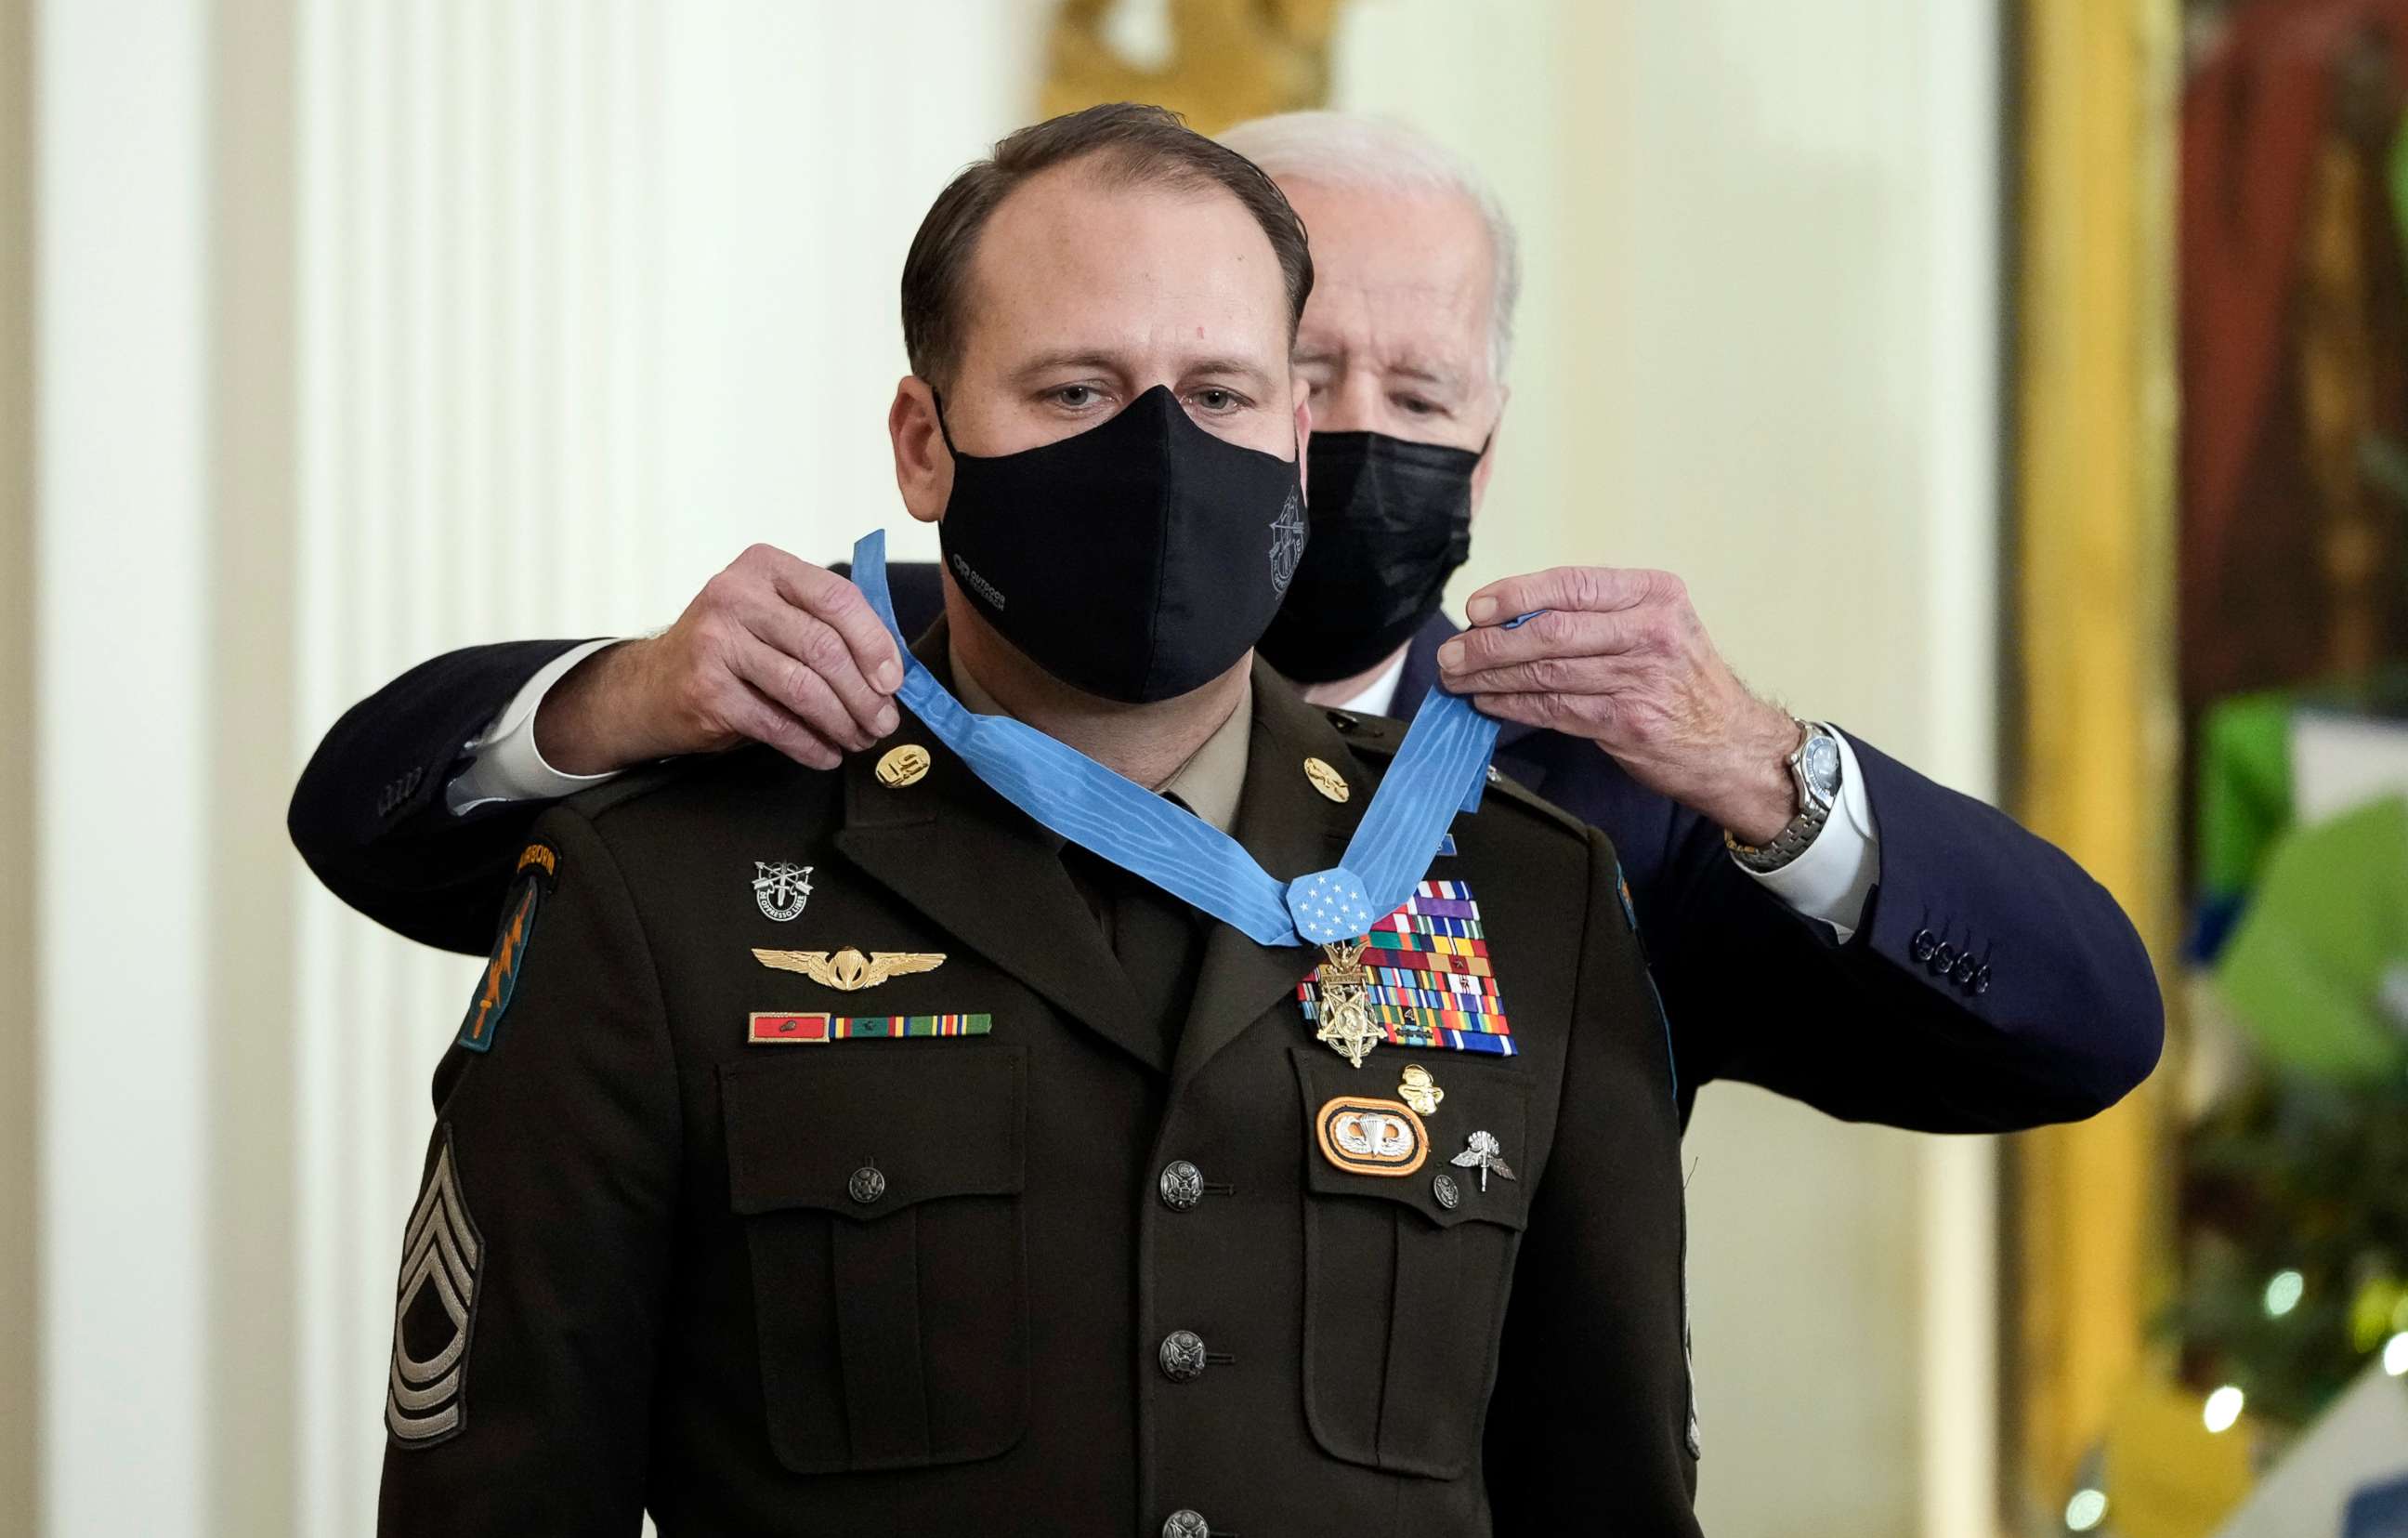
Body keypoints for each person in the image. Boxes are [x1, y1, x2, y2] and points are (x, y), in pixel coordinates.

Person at [367, 103, 1715, 1538]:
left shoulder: (1528, 895)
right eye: (1075, 389)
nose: (1157, 452)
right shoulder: (663, 891)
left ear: (1293, 439)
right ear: (926, 446)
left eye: (1219, 391)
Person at [291, 112, 2162, 1135]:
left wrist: (1771, 773)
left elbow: (2076, 1030)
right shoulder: (870, 677)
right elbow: (370, 816)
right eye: (1293, 368)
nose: (1347, 435)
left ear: (1489, 451)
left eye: (1416, 395)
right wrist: (620, 695)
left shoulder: (1597, 798)